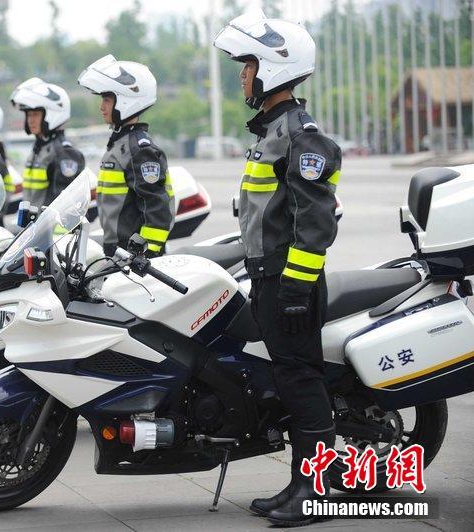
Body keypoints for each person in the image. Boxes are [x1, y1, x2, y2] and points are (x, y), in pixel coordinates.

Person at [214, 10, 342, 527]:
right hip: (269, 276)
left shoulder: (299, 135)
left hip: (291, 281)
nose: (242, 76)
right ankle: (299, 483)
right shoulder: (271, 132)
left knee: (302, 380)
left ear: (272, 68)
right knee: (289, 380)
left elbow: (316, 221)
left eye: (247, 66)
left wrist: (296, 286)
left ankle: (318, 493)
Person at [77, 55, 174, 257]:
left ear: (126, 100)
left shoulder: (140, 150)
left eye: (106, 99)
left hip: (135, 259)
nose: (101, 106)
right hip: (118, 253)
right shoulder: (120, 144)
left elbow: (157, 211)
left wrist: (145, 254)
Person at [10, 77, 86, 208]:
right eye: (28, 115)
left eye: (35, 114)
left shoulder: (64, 154)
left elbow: (63, 207)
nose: (30, 120)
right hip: (30, 221)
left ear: (51, 114)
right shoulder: (39, 149)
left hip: (46, 222)